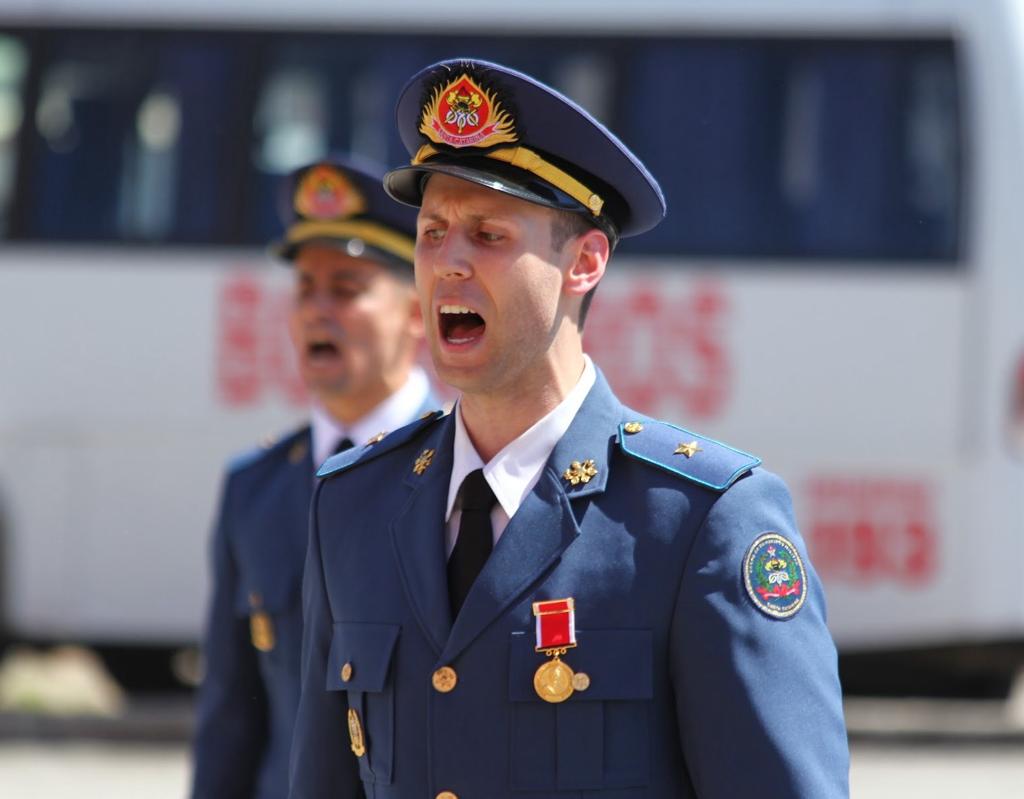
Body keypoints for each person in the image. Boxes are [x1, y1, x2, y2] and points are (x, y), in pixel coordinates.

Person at [290, 60, 849, 798]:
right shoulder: (353, 506)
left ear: (584, 260)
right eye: (432, 233)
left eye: (487, 234)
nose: (448, 264)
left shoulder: (702, 522)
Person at [191, 156, 436, 799]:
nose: (317, 311)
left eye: (347, 288)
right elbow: (230, 714)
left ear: (416, 311)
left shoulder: (467, 472)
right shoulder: (257, 487)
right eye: (304, 289)